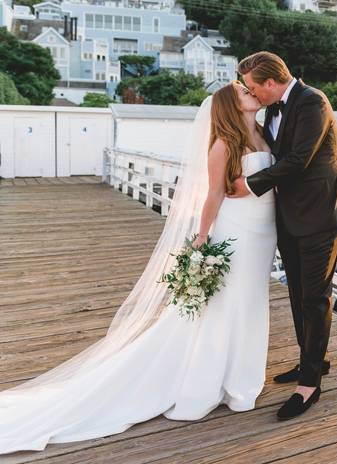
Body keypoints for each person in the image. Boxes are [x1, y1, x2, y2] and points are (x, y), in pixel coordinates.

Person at [0, 82, 278, 454]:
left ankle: (240, 379)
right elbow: (213, 193)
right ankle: (208, 384)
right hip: (236, 231)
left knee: (251, 305)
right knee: (227, 306)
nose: (252, 93)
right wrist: (201, 238)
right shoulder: (223, 143)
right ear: (231, 105)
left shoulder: (263, 132)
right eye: (244, 92)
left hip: (264, 233)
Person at [232, 51, 337, 421]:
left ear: (270, 83)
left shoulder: (313, 101)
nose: (252, 93)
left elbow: (300, 159)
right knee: (298, 293)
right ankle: (314, 362)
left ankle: (310, 384)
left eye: (254, 87)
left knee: (315, 297)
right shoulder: (271, 110)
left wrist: (249, 185)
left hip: (320, 213)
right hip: (288, 216)